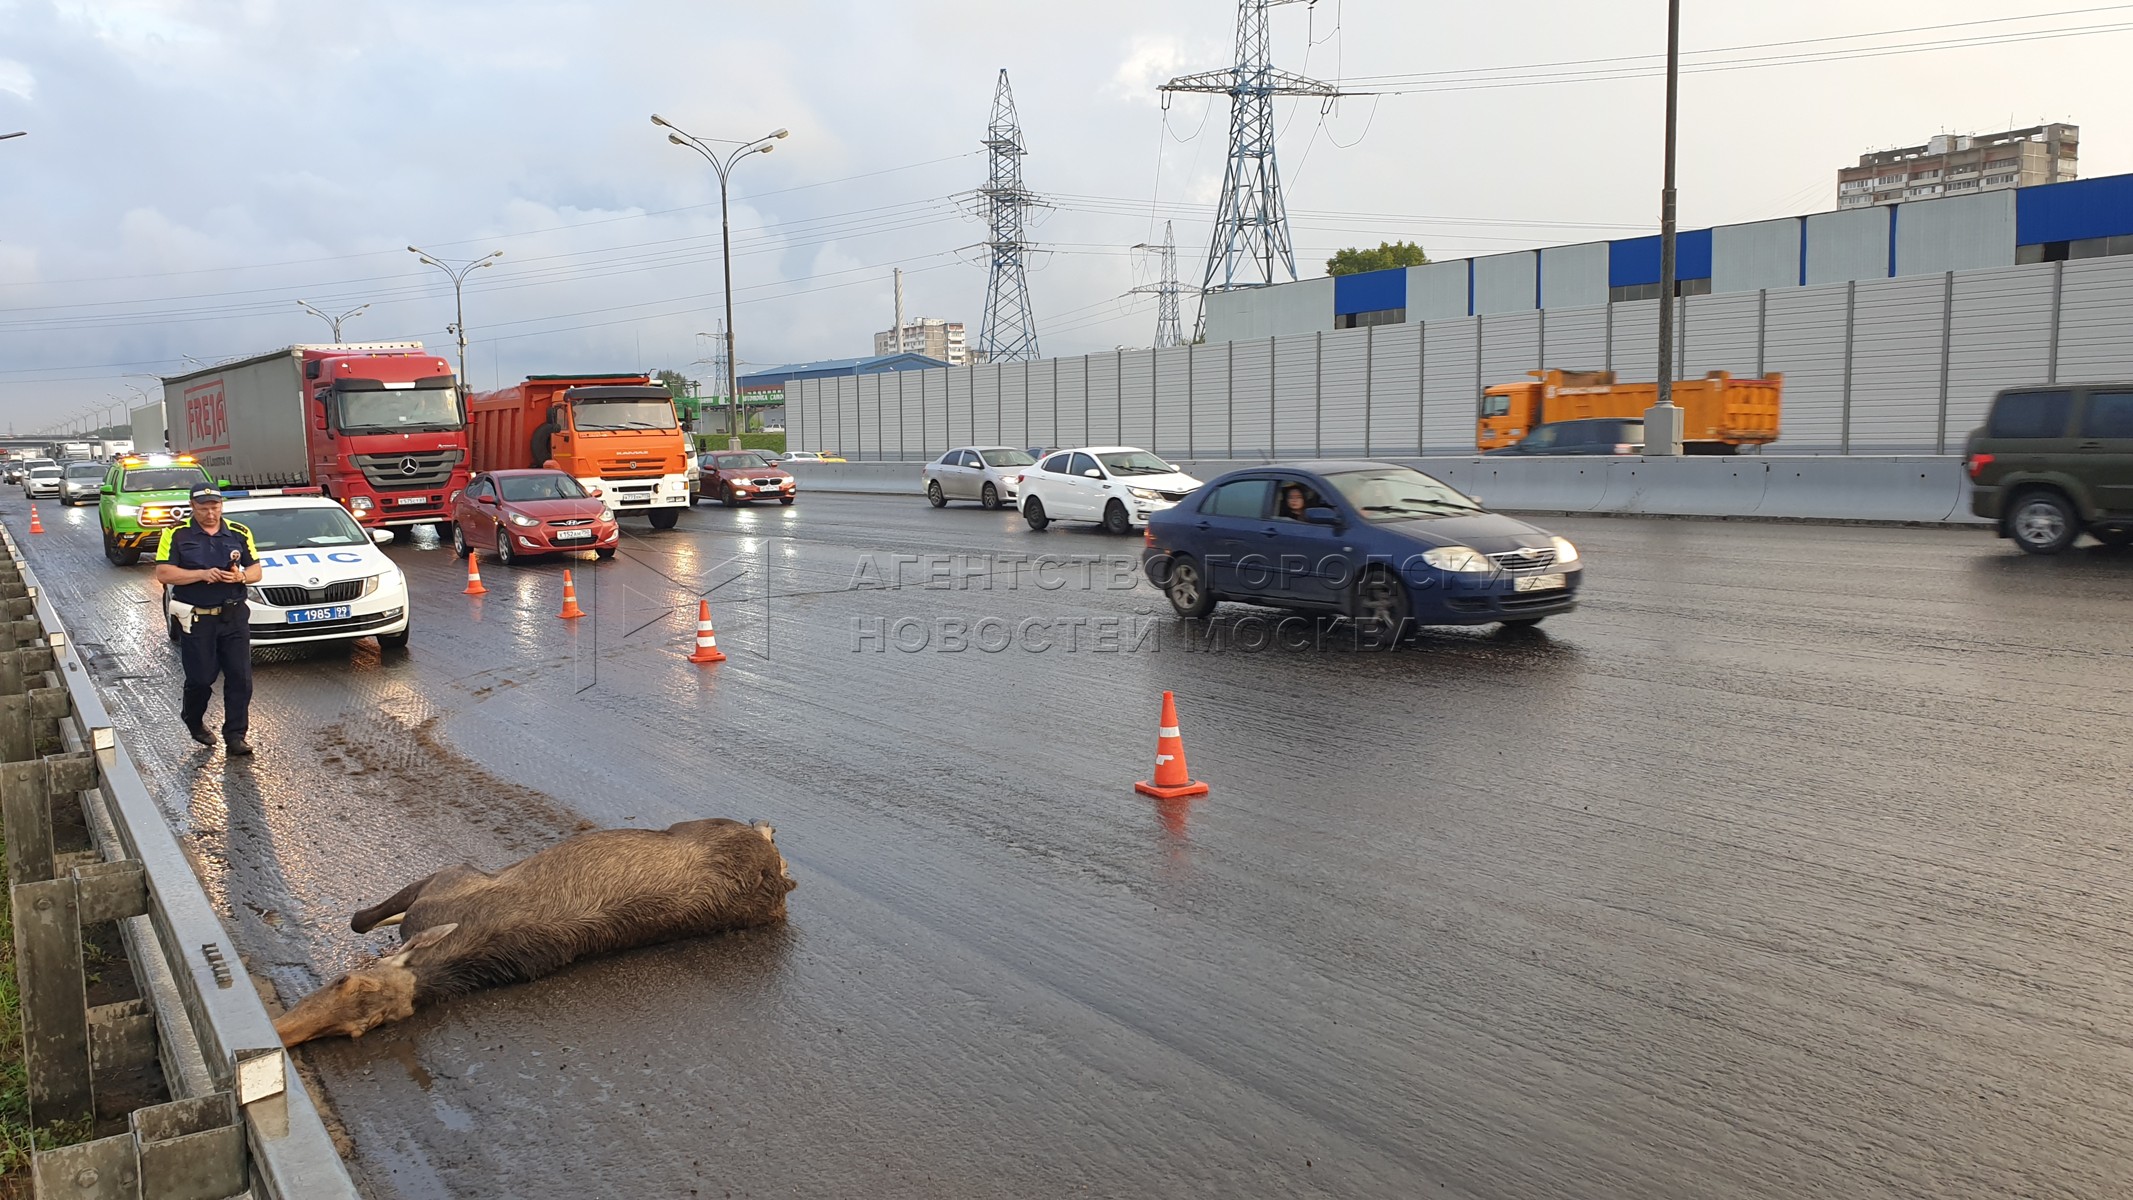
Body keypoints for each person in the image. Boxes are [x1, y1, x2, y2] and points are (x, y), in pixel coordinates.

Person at [153, 485, 262, 755]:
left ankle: (235, 736)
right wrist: (202, 574)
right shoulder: (176, 533)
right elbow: (164, 573)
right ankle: (193, 719)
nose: (210, 513)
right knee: (201, 679)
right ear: (193, 506)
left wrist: (241, 577)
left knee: (240, 678)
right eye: (204, 508)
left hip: (234, 616)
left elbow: (256, 570)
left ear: (221, 505)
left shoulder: (239, 532)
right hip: (198, 618)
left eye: (215, 507)